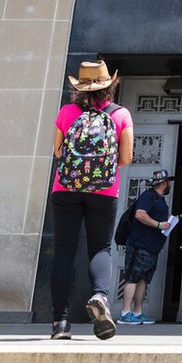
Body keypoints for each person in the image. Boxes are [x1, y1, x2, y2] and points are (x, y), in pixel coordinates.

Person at [49, 60, 133, 340]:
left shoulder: (66, 112)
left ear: (79, 88)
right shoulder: (120, 114)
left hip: (65, 189)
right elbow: (125, 159)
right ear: (109, 86)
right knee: (100, 247)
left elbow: (59, 153)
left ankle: (60, 323)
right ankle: (100, 295)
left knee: (64, 250)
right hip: (103, 190)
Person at [119, 169, 182, 324]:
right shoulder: (148, 196)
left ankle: (137, 313)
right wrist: (158, 225)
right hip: (139, 245)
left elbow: (163, 222)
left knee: (144, 279)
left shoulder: (160, 200)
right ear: (163, 183)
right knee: (132, 277)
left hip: (152, 247)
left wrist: (178, 217)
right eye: (168, 182)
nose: (169, 184)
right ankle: (125, 313)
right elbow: (140, 214)